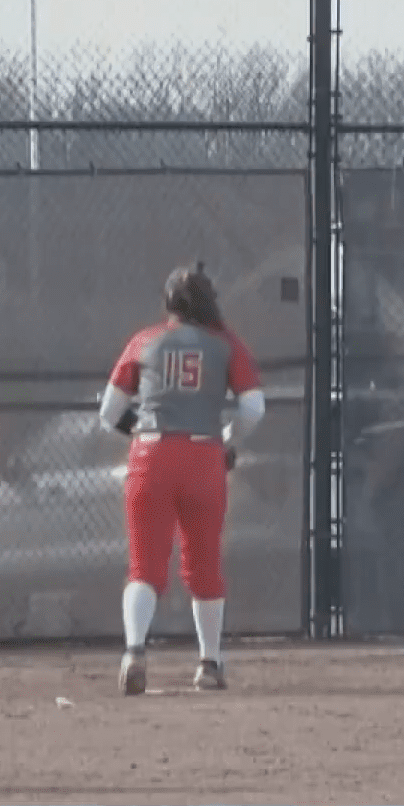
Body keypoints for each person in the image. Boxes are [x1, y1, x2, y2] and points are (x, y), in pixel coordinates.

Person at [99, 263, 264, 695]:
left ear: (169, 303)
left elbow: (109, 413)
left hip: (150, 456)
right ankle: (209, 664)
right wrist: (227, 440)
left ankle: (134, 651)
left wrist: (141, 430)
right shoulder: (227, 345)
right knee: (204, 567)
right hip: (203, 456)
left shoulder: (144, 341)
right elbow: (254, 409)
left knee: (144, 569)